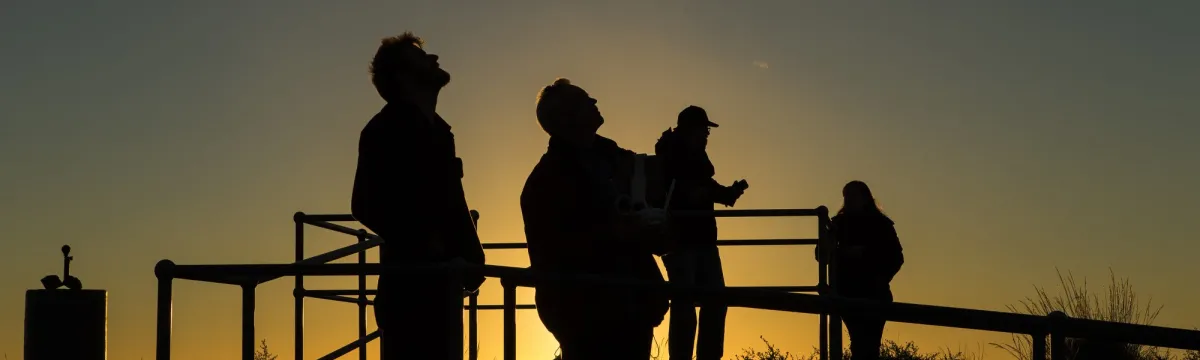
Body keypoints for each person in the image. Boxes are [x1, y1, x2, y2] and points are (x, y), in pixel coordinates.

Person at [349, 32, 486, 360]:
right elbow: (364, 204)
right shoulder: (385, 130)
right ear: (403, 76)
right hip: (412, 291)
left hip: (442, 286)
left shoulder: (439, 131)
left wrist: (470, 256)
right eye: (421, 58)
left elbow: (451, 202)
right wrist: (427, 244)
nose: (434, 59)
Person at [520, 78, 669, 360]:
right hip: (589, 312)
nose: (595, 102)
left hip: (631, 303)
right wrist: (621, 232)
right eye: (585, 99)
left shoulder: (607, 157)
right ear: (567, 118)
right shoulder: (547, 180)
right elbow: (556, 250)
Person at [652, 105, 747, 360]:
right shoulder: (673, 157)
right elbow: (688, 192)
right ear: (690, 130)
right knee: (691, 305)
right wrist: (717, 193)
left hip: (699, 240)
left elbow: (702, 187)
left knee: (709, 302)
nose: (707, 135)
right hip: (681, 241)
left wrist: (726, 194)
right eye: (704, 129)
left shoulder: (687, 156)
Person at [828, 180, 904, 360]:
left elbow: (896, 257)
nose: (848, 200)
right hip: (847, 291)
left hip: (873, 292)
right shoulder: (837, 224)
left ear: (864, 198)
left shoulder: (881, 225)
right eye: (846, 196)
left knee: (868, 347)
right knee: (861, 345)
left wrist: (869, 259)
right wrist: (841, 253)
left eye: (852, 196)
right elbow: (820, 253)